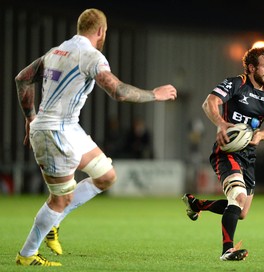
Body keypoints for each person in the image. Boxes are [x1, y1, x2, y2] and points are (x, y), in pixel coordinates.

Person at [15, 8, 177, 266]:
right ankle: (26, 255)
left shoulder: (56, 51)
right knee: (61, 199)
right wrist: (154, 94)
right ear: (101, 31)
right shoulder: (91, 56)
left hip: (69, 128)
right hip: (54, 132)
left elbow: (22, 78)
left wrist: (29, 117)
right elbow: (119, 92)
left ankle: (54, 222)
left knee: (105, 176)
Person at [182, 46, 264, 261]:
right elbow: (209, 102)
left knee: (241, 211)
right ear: (251, 67)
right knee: (237, 197)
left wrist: (260, 136)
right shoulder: (236, 84)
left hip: (249, 156)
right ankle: (227, 250)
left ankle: (197, 204)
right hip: (227, 152)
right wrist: (221, 124)